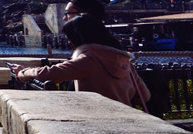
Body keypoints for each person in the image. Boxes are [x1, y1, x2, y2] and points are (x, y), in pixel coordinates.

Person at [11, 13, 150, 108]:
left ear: (78, 37)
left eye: (70, 37)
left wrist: (23, 73)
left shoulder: (89, 60)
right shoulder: (124, 62)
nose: (69, 41)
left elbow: (50, 73)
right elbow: (144, 96)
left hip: (97, 123)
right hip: (128, 121)